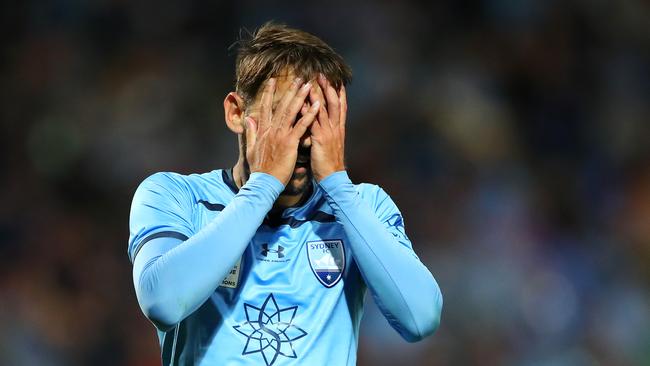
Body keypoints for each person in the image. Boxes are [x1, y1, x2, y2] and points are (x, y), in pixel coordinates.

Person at [128, 22, 442, 366]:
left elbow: (420, 318)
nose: (303, 137)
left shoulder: (362, 206)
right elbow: (163, 303)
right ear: (236, 112)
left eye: (318, 116)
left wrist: (338, 185)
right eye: (286, 114)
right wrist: (263, 186)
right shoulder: (175, 196)